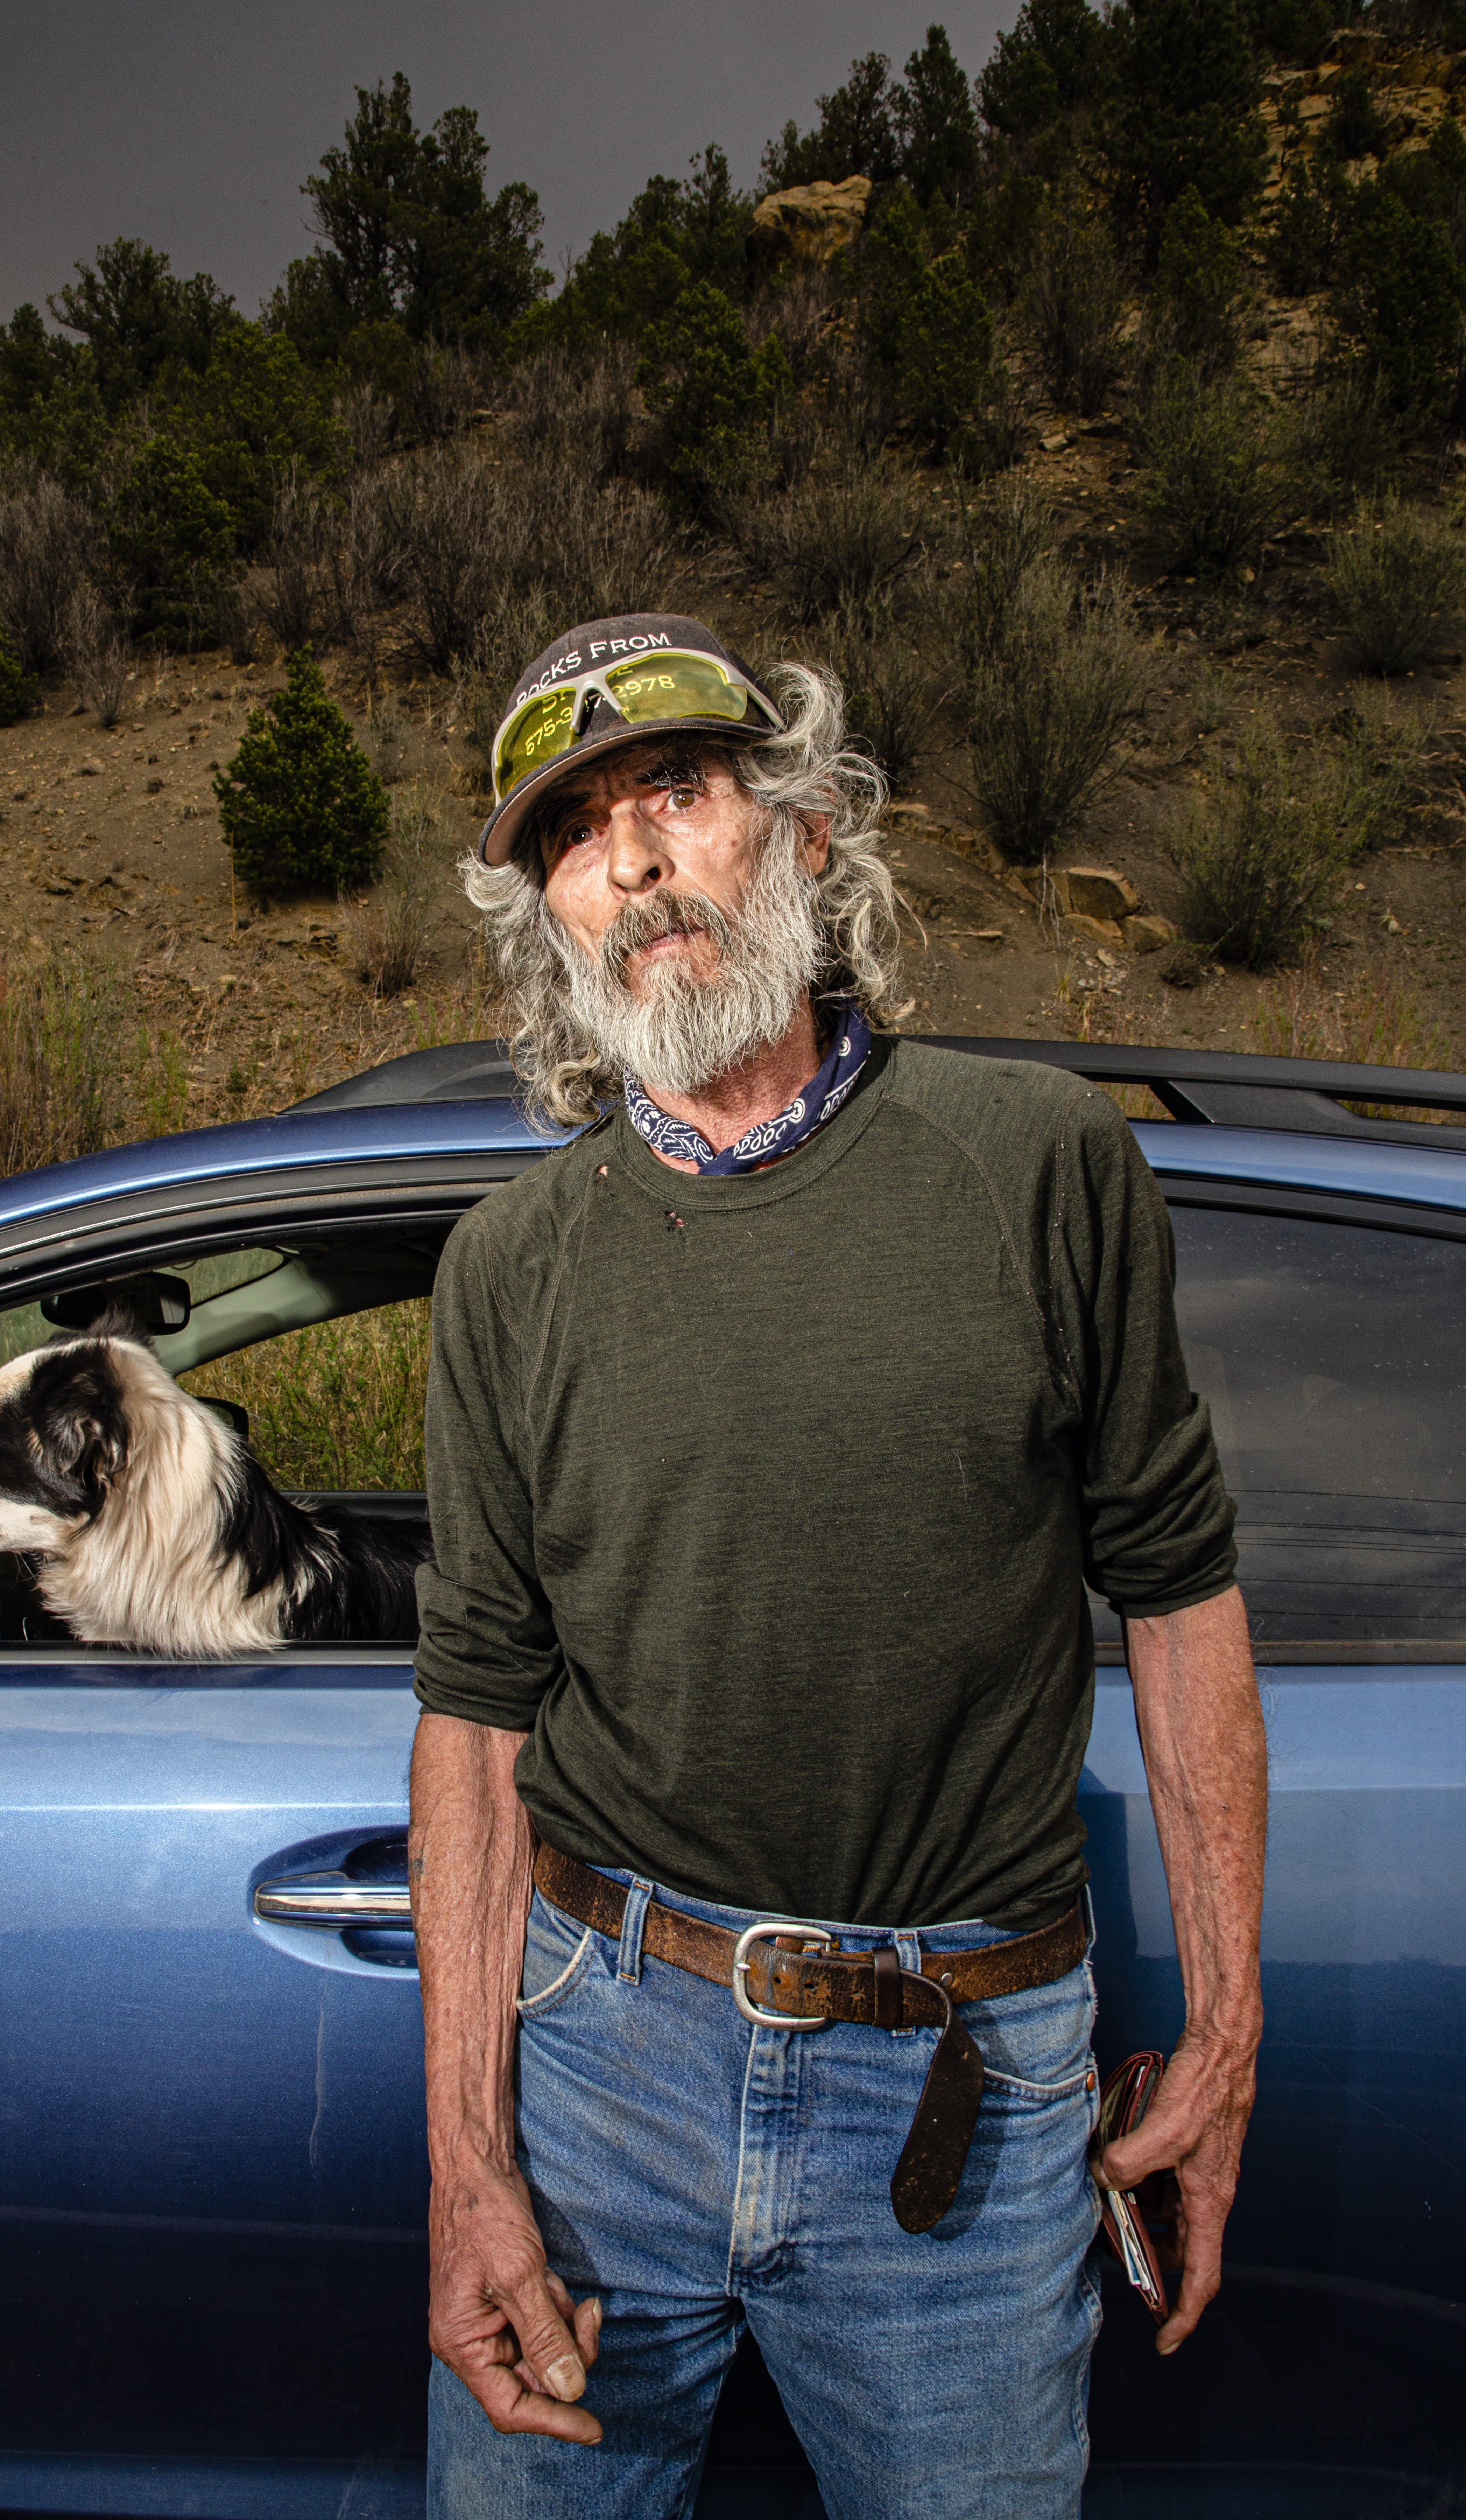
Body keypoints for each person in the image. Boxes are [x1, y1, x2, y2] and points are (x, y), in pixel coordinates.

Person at [408, 612, 1266, 2520]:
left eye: (681, 794)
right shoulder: (509, 1272)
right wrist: (472, 2166)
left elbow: (1184, 1602)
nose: (631, 862)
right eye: (571, 837)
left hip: (961, 2095)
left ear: (797, 831)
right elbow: (474, 1728)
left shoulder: (1037, 1166)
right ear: (548, 924)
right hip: (604, 2074)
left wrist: (1225, 2028)